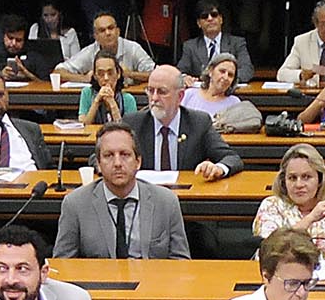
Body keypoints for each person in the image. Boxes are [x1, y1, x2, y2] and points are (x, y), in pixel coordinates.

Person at [52, 125, 188, 259]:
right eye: (108, 155)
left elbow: (181, 262)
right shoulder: (75, 204)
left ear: (138, 162)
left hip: (153, 279)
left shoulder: (166, 202)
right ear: (98, 164)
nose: (117, 163)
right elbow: (63, 264)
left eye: (125, 154)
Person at [251, 143, 325, 263]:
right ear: (283, 181)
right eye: (292, 178)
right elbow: (271, 252)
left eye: (306, 177)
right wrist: (311, 218)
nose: (299, 185)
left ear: (320, 180)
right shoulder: (271, 206)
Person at [127, 65, 240, 179]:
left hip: (187, 193)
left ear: (180, 96)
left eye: (162, 92)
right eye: (150, 91)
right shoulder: (134, 123)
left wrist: (218, 168)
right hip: (146, 194)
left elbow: (231, 157)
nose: (154, 98)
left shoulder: (199, 122)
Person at [181, 52, 260, 136]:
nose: (225, 77)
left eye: (230, 75)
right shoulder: (189, 95)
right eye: (222, 71)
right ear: (210, 71)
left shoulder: (234, 102)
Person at [178, 0, 252, 83]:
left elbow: (247, 70)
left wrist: (223, 79)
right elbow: (179, 72)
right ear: (199, 23)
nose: (210, 19)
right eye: (204, 16)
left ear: (221, 19)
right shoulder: (190, 46)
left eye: (214, 15)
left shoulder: (237, 43)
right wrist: (184, 78)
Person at [77, 51, 135, 129]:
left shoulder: (128, 99)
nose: (106, 78)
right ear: (95, 75)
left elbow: (128, 130)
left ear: (118, 74)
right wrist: (96, 101)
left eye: (110, 73)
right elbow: (83, 125)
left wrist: (112, 104)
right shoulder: (87, 93)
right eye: (101, 74)